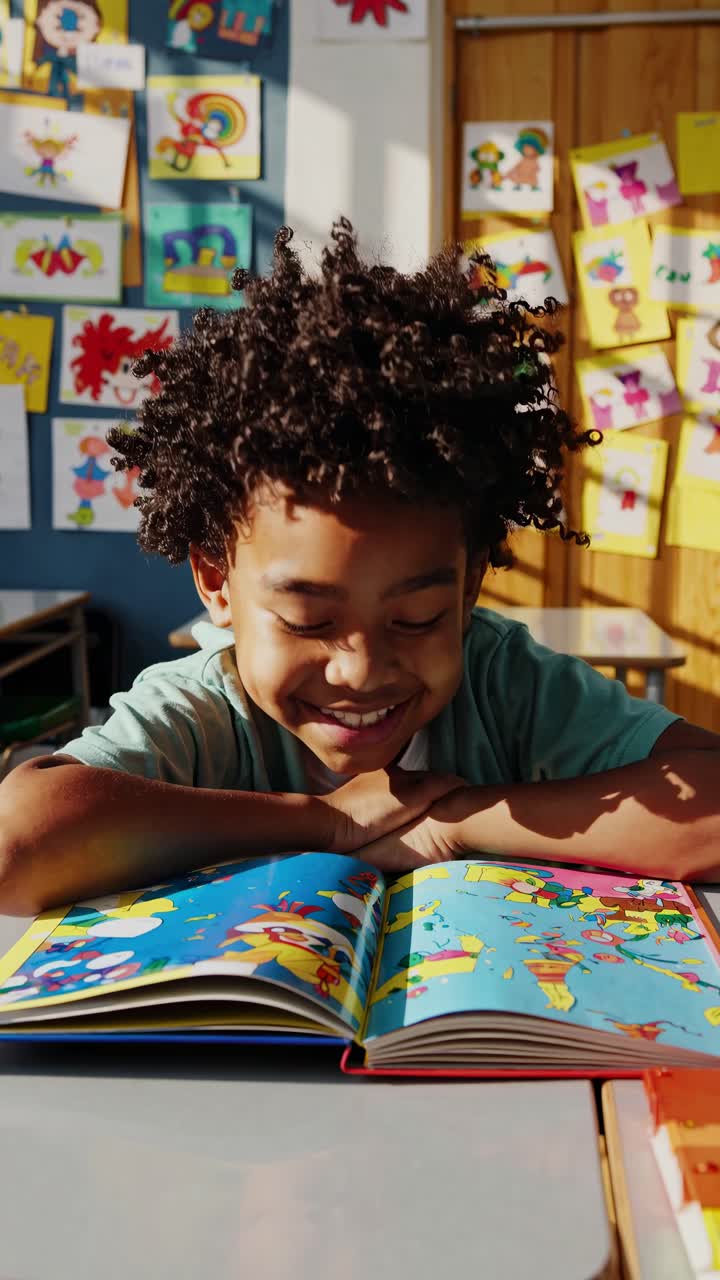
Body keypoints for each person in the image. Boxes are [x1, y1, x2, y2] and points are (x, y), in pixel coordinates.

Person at [0, 220, 717, 915]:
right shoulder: (200, 711)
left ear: (468, 590)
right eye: (309, 619)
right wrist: (322, 822)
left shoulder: (504, 681)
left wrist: (458, 822)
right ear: (217, 583)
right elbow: (16, 842)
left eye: (417, 619)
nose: (361, 669)